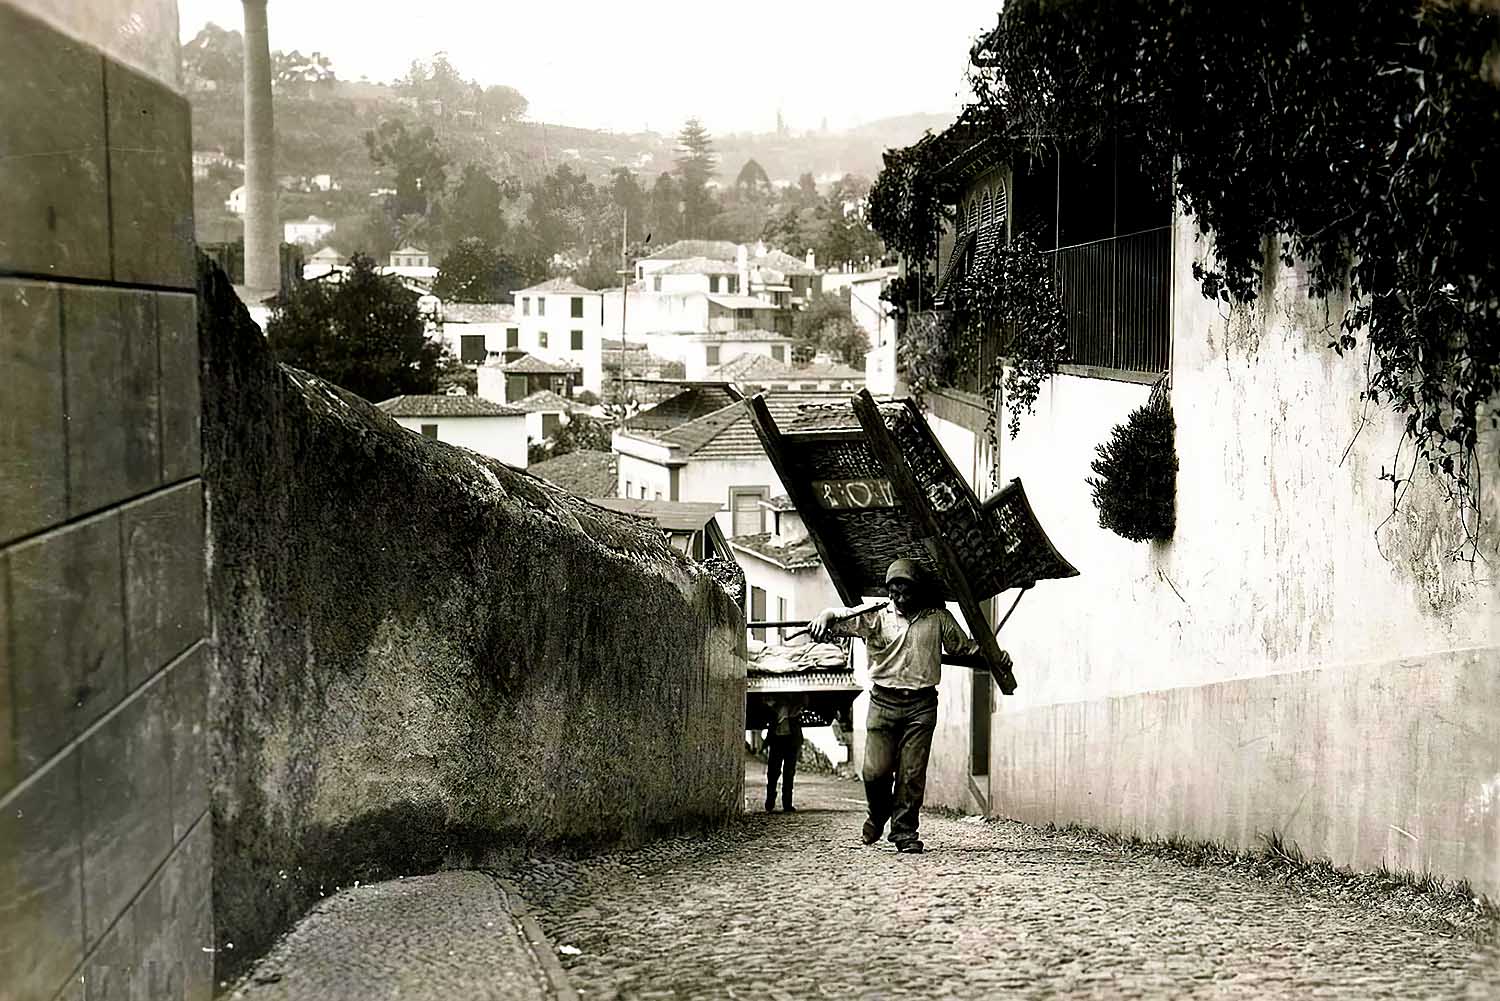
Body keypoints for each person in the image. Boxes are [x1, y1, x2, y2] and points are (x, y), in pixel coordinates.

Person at [809, 558, 1012, 853]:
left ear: (919, 590)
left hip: (921, 705)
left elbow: (966, 647)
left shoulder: (938, 618)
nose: (900, 599)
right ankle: (877, 815)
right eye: (894, 593)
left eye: (906, 592)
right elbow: (842, 618)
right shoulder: (877, 616)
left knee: (911, 774)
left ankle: (904, 832)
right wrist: (826, 615)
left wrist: (997, 656)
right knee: (874, 773)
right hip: (882, 701)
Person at [763, 692, 807, 812]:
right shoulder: (774, 708)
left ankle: (786, 803)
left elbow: (804, 701)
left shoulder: (795, 707)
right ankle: (770, 801)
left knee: (788, 772)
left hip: (791, 741)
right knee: (773, 773)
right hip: (777, 741)